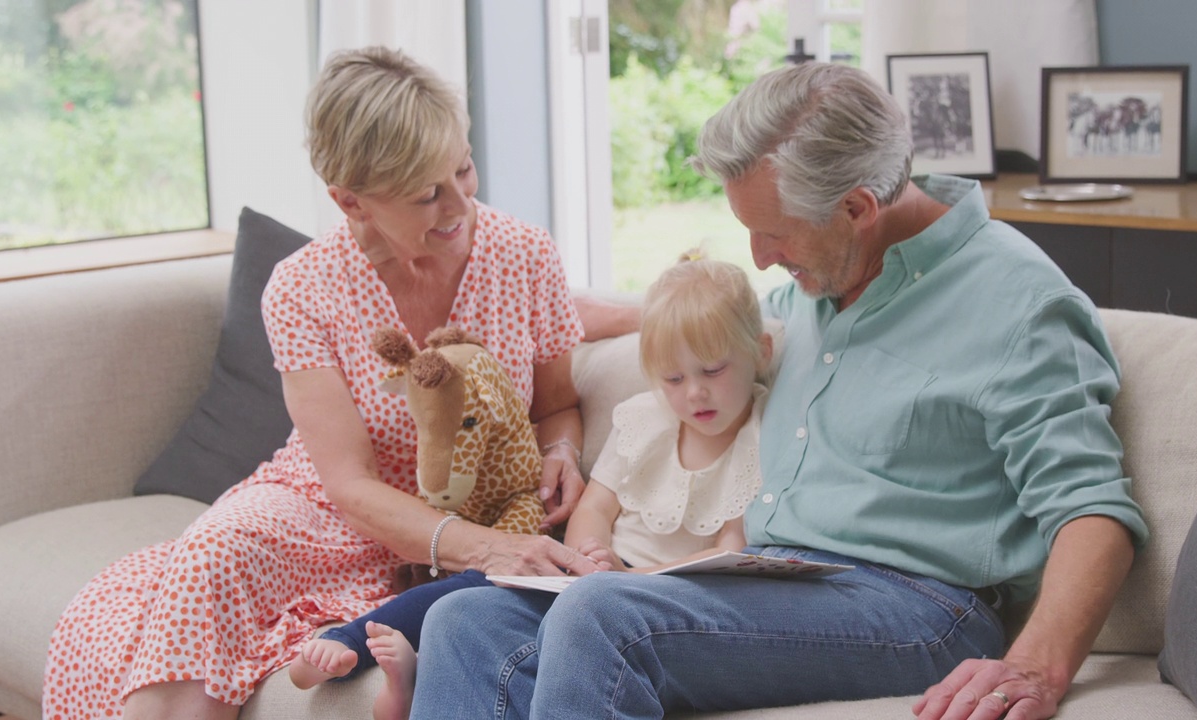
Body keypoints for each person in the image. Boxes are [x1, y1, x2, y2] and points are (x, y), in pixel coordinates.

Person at [409, 61, 1150, 720]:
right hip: (776, 577)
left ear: (860, 207)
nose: (761, 260)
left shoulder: (1019, 305)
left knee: (603, 617)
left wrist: (1036, 665)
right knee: (468, 621)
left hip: (923, 608)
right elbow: (716, 331)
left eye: (775, 234)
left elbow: (1092, 509)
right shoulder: (821, 282)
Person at [41, 45, 603, 720]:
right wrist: (481, 547)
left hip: (478, 504)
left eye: (464, 167)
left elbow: (558, 404)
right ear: (350, 201)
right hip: (331, 512)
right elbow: (347, 482)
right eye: (427, 192)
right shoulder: (303, 288)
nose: (461, 202)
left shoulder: (524, 254)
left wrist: (560, 453)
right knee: (211, 556)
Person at [291, 252, 774, 720]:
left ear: (762, 352)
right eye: (673, 378)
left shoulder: (762, 438)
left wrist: (628, 577)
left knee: (539, 628)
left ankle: (416, 678)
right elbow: (596, 507)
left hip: (657, 595)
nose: (694, 392)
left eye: (713, 370)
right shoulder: (645, 419)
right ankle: (352, 641)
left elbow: (729, 549)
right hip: (590, 573)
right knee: (470, 590)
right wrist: (589, 554)